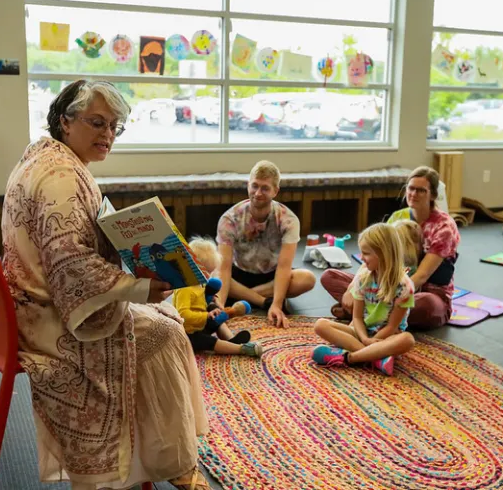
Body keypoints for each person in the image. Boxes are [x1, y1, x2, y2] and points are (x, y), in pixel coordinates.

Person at [1, 80, 209, 490]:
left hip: (32, 301)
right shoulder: (60, 177)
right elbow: (71, 264)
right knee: (166, 333)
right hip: (51, 319)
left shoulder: (43, 156)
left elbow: (68, 252)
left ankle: (152, 457)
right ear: (65, 121)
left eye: (115, 126)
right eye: (97, 123)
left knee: (161, 318)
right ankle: (170, 464)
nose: (108, 135)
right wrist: (137, 287)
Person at [320, 166, 460, 329]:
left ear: (433, 195)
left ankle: (363, 312)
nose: (413, 194)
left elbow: (421, 275)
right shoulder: (397, 217)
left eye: (421, 190)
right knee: (329, 276)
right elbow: (374, 255)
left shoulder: (444, 227)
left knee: (426, 305)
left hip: (422, 293)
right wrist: (353, 288)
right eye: (411, 188)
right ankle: (374, 314)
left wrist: (390, 297)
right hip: (381, 287)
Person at [216, 160, 316, 328]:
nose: (258, 193)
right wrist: (218, 307)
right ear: (248, 185)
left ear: (275, 191)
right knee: (209, 272)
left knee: (307, 279)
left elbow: (284, 266)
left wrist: (276, 305)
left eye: (265, 188)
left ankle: (243, 298)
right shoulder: (229, 219)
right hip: (238, 274)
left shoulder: (288, 220)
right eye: (254, 186)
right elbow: (224, 267)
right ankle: (261, 301)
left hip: (271, 276)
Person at [312, 223, 416, 376]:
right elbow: (357, 317)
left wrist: (373, 340)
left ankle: (349, 357)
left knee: (407, 340)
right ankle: (375, 358)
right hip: (362, 332)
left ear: (383, 253)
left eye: (366, 253)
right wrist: (365, 339)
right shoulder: (363, 278)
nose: (361, 258)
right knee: (320, 325)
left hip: (387, 337)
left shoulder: (404, 287)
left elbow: (392, 326)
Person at [173, 237, 262, 357]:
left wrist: (211, 303)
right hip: (187, 333)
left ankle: (231, 339)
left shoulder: (199, 282)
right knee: (210, 342)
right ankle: (240, 348)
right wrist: (206, 316)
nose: (208, 276)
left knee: (217, 318)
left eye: (210, 272)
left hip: (200, 325)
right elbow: (183, 315)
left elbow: (200, 301)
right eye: (206, 272)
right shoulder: (184, 288)